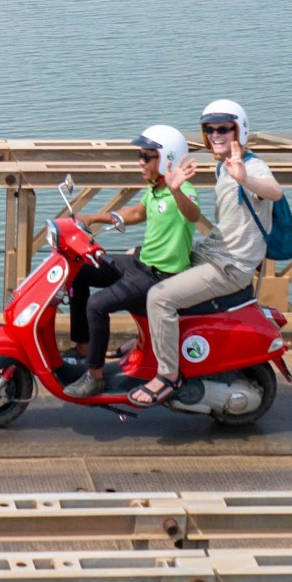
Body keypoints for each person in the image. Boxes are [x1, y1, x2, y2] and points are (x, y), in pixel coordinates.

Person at [136, 98, 278, 407]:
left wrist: (245, 178)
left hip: (229, 267)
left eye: (224, 128)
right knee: (146, 266)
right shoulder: (223, 166)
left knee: (159, 297)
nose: (216, 135)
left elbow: (274, 191)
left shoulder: (251, 166)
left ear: (240, 130)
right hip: (213, 253)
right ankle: (149, 346)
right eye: (209, 129)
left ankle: (168, 376)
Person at [62, 125, 205, 398]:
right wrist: (93, 218)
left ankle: (95, 376)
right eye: (140, 155)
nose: (140, 161)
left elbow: (193, 214)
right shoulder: (154, 188)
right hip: (140, 262)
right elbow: (138, 212)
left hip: (159, 275)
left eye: (147, 156)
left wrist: (176, 189)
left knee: (97, 304)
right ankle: (83, 348)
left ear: (167, 159)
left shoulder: (181, 191)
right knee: (79, 271)